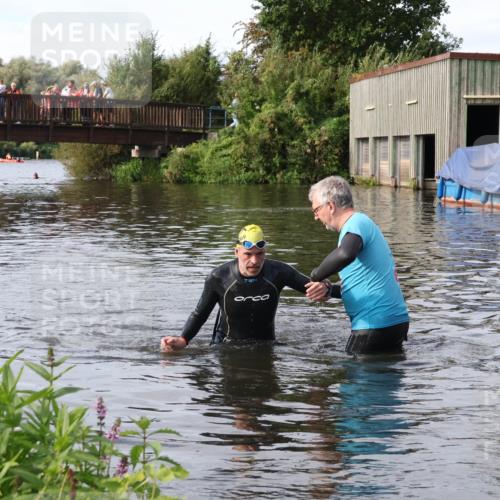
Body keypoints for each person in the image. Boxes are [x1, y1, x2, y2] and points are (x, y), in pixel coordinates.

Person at [160, 224, 329, 352]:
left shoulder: (278, 272)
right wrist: (183, 339)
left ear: (265, 252)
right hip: (226, 346)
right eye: (248, 254)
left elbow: (315, 288)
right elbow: (200, 314)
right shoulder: (218, 277)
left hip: (266, 345)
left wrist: (326, 288)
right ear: (237, 252)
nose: (254, 261)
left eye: (260, 254)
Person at [306, 175, 409, 355]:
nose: (315, 217)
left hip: (374, 323)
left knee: (355, 377)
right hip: (391, 322)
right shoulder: (358, 227)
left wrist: (316, 275)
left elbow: (345, 254)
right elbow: (359, 284)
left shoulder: (356, 222)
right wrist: (329, 290)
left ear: (330, 206)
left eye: (316, 210)